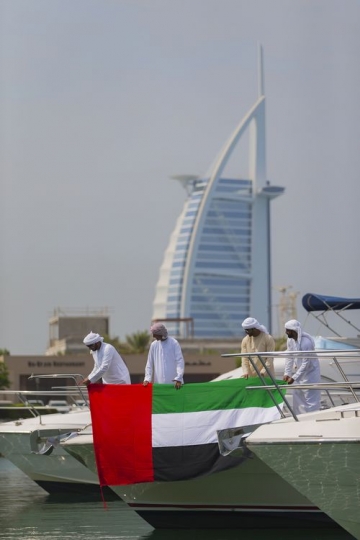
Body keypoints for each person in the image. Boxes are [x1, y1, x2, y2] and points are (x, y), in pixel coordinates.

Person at [283, 319, 321, 414]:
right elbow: (289, 357)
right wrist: (287, 373)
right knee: (297, 395)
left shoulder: (306, 343)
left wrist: (294, 377)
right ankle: (299, 419)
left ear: (293, 330)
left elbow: (306, 363)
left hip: (310, 374)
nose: (286, 332)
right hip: (299, 374)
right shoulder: (290, 341)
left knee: (311, 400)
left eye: (287, 330)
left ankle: (313, 419)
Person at [143, 323, 184, 389]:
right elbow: (149, 364)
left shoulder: (174, 343)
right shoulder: (154, 345)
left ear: (161, 333)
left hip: (175, 384)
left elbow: (180, 361)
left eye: (155, 334)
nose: (153, 336)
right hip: (159, 385)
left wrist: (179, 378)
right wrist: (147, 379)